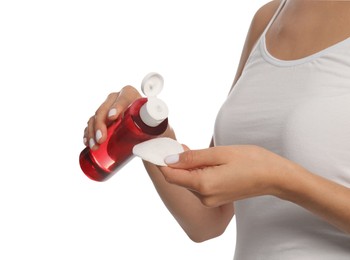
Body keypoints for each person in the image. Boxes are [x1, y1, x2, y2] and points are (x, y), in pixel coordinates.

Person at [83, 0, 350, 258]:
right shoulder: (268, 19)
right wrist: (147, 131)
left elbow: (272, 176)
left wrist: (280, 179)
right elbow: (207, 220)